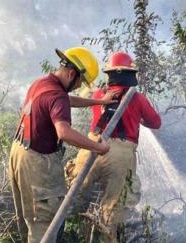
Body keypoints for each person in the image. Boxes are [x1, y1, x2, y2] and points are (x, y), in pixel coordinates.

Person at [8, 47, 117, 243]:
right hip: (37, 163)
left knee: (29, 218)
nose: (78, 86)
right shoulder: (56, 95)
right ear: (72, 73)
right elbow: (64, 132)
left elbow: (67, 100)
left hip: (19, 153)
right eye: (79, 82)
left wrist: (98, 101)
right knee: (45, 222)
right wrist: (99, 148)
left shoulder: (43, 83)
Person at [67, 51, 161, 242]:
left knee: (70, 195)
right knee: (113, 213)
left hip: (91, 147)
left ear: (109, 74)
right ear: (130, 73)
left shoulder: (100, 95)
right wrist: (139, 117)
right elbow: (156, 123)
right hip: (120, 155)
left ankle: (64, 230)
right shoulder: (137, 98)